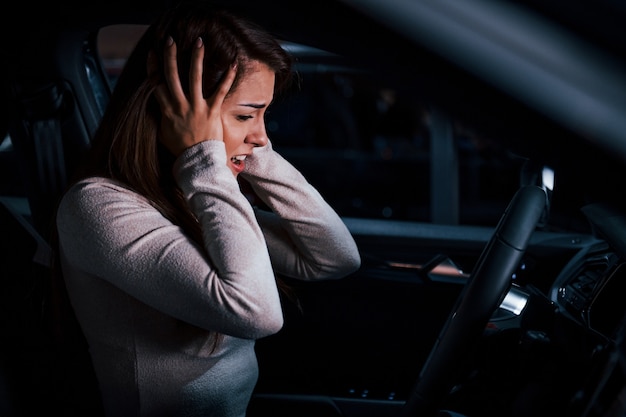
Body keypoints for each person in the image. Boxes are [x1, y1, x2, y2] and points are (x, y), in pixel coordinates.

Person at [53, 2, 361, 416]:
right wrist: (205, 157)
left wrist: (251, 155)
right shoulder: (97, 207)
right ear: (172, 109)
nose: (261, 135)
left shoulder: (194, 192)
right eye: (245, 115)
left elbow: (336, 258)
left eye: (264, 114)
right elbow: (258, 314)